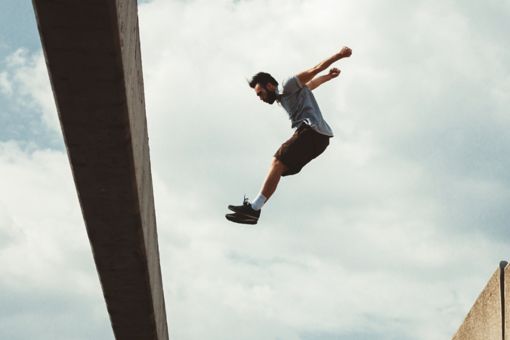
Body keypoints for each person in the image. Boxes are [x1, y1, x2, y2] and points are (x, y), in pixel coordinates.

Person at [226, 46, 352, 225]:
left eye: (260, 93)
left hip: (311, 132)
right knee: (279, 168)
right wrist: (329, 77)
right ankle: (254, 209)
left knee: (277, 162)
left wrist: (339, 56)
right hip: (320, 140)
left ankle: (253, 209)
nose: (260, 98)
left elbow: (314, 69)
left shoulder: (288, 85)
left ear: (270, 85)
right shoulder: (286, 98)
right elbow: (312, 85)